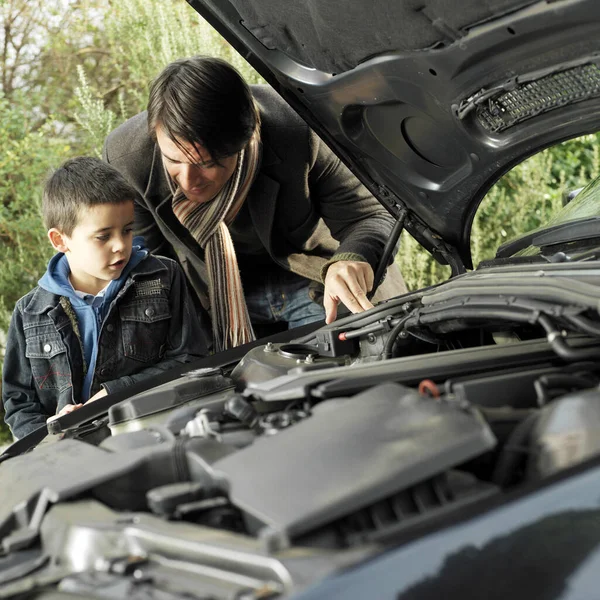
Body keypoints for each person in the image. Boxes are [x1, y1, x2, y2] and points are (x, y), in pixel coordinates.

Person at [103, 56, 407, 351]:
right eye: (173, 160)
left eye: (207, 163)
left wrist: (352, 259)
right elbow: (151, 263)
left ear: (245, 138)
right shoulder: (127, 158)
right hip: (219, 297)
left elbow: (370, 213)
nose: (187, 180)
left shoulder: (302, 126)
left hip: (316, 278)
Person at [2, 157, 209, 439]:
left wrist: (113, 393)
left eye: (127, 230)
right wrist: (49, 433)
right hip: (71, 454)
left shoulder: (164, 277)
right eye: (103, 236)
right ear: (60, 240)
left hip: (154, 434)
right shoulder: (30, 312)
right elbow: (19, 401)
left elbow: (190, 359)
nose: (120, 246)